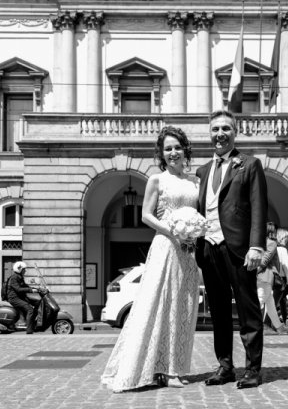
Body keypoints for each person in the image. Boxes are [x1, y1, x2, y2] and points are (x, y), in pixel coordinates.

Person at [101, 125, 200, 391]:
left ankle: (174, 366)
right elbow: (146, 215)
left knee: (183, 307)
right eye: (167, 148)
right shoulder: (157, 179)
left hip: (188, 251)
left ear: (185, 149)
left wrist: (192, 233)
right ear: (161, 153)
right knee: (161, 304)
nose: (173, 152)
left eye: (177, 147)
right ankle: (162, 370)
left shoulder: (194, 182)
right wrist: (175, 231)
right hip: (167, 246)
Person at [194, 110, 268, 389]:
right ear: (209, 134)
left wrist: (256, 246)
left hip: (238, 249)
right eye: (215, 129)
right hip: (209, 249)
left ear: (235, 132)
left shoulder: (249, 164)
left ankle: (252, 369)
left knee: (248, 311)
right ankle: (225, 366)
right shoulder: (202, 171)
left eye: (226, 128)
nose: (220, 134)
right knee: (219, 313)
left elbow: (259, 207)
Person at [256, 222, 286, 334]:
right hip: (265, 276)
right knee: (260, 301)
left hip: (261, 276)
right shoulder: (272, 243)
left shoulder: (259, 243)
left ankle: (279, 328)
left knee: (270, 304)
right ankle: (250, 325)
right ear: (272, 231)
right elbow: (265, 260)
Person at [273, 227, 288, 331]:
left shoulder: (274, 248)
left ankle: (285, 322)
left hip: (274, 278)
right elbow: (287, 266)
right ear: (282, 237)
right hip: (281, 279)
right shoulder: (282, 249)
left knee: (282, 301)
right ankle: (271, 324)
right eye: (287, 236)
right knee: (274, 303)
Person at [6, 261, 39, 334]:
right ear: (19, 269)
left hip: (21, 297)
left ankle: (34, 322)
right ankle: (29, 329)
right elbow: (18, 289)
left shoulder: (20, 277)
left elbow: (25, 286)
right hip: (14, 298)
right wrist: (31, 290)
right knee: (30, 309)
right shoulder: (14, 278)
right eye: (24, 269)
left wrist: (37, 289)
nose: (25, 271)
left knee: (38, 302)